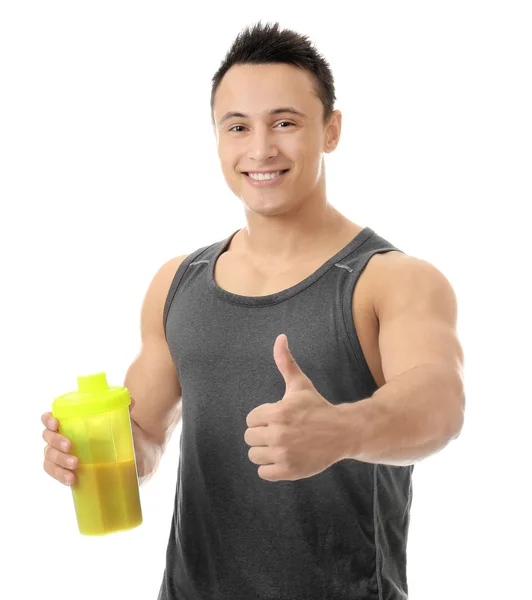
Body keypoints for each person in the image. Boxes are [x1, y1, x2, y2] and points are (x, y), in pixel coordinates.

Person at [41, 21, 465, 600]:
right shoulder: (177, 282)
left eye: (285, 123)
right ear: (217, 138)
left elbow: (440, 404)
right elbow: (144, 435)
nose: (260, 149)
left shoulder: (390, 280)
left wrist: (341, 429)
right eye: (237, 127)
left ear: (331, 130)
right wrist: (92, 454)